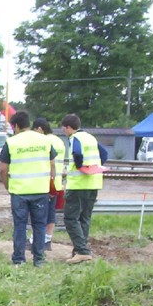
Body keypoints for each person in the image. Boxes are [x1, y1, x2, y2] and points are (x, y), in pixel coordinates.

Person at [0, 111, 56, 267]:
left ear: (16, 126)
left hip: (19, 192)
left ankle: (18, 260)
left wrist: (8, 186)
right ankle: (39, 260)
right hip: (40, 191)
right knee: (39, 225)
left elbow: (3, 169)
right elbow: (52, 165)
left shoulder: (12, 142)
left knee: (20, 226)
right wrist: (50, 184)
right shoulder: (45, 141)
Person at [60, 113, 108, 264]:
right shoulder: (90, 137)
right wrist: (93, 166)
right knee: (84, 218)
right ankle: (79, 250)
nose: (64, 132)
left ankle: (82, 251)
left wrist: (80, 166)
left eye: (64, 129)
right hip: (94, 182)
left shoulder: (75, 138)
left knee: (70, 218)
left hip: (79, 184)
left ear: (68, 127)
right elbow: (104, 153)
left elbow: (77, 153)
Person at [31, 117, 67, 251]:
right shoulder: (59, 141)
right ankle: (47, 240)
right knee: (51, 214)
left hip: (44, 183)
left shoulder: (44, 141)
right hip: (56, 183)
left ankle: (35, 241)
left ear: (40, 128)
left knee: (39, 214)